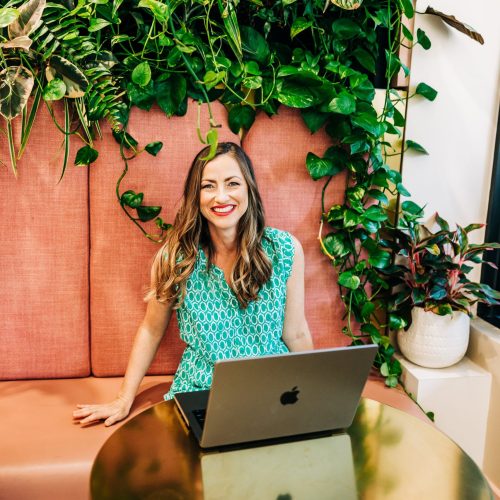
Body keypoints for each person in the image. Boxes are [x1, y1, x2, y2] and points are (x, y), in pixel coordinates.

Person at [73, 142, 313, 427]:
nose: (220, 196)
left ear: (249, 189)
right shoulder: (176, 258)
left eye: (232, 183)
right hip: (202, 394)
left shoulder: (285, 250)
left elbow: (295, 333)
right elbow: (151, 329)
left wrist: (314, 393)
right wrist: (123, 399)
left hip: (272, 391)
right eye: (208, 186)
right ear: (195, 195)